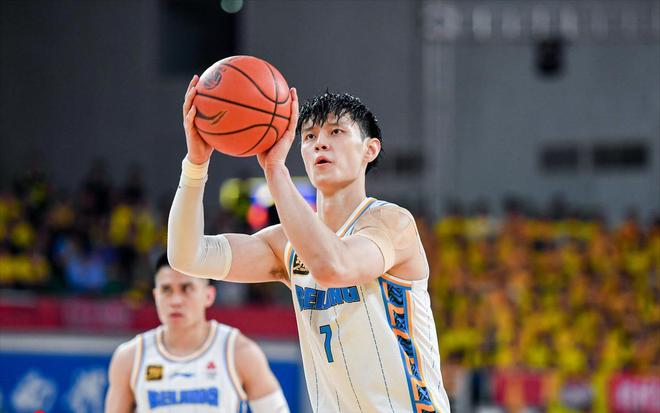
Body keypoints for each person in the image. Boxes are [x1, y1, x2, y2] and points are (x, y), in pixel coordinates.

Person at [169, 75, 451, 412]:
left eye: (336, 132)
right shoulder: (287, 244)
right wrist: (195, 164)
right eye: (309, 136)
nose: (320, 143)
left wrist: (275, 171)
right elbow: (187, 256)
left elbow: (333, 266)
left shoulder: (391, 223)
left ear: (370, 149)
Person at [104, 253, 288, 413]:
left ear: (208, 295)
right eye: (166, 290)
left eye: (187, 289)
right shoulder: (130, 357)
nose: (176, 300)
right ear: (155, 296)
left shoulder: (238, 351)